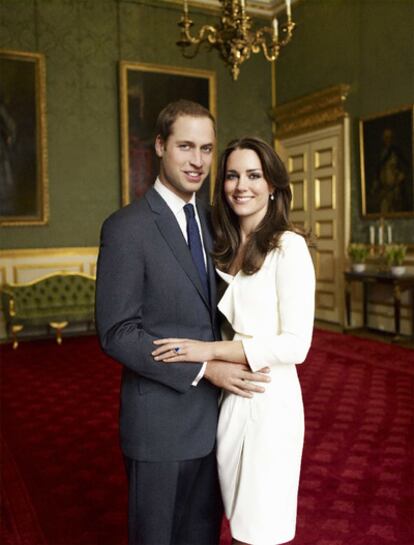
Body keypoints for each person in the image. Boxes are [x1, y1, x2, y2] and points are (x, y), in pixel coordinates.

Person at [95, 103, 270, 545]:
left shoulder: (218, 226)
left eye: (207, 149)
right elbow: (118, 332)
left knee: (202, 536)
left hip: (215, 424)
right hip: (157, 424)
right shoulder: (126, 228)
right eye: (186, 146)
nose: (197, 161)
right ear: (159, 146)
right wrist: (205, 368)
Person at [153, 136, 316, 545]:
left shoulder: (289, 247)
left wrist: (206, 352)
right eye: (232, 175)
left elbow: (296, 345)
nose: (241, 185)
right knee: (235, 522)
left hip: (270, 400)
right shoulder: (220, 247)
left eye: (253, 175)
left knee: (260, 530)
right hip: (229, 401)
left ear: (273, 185)